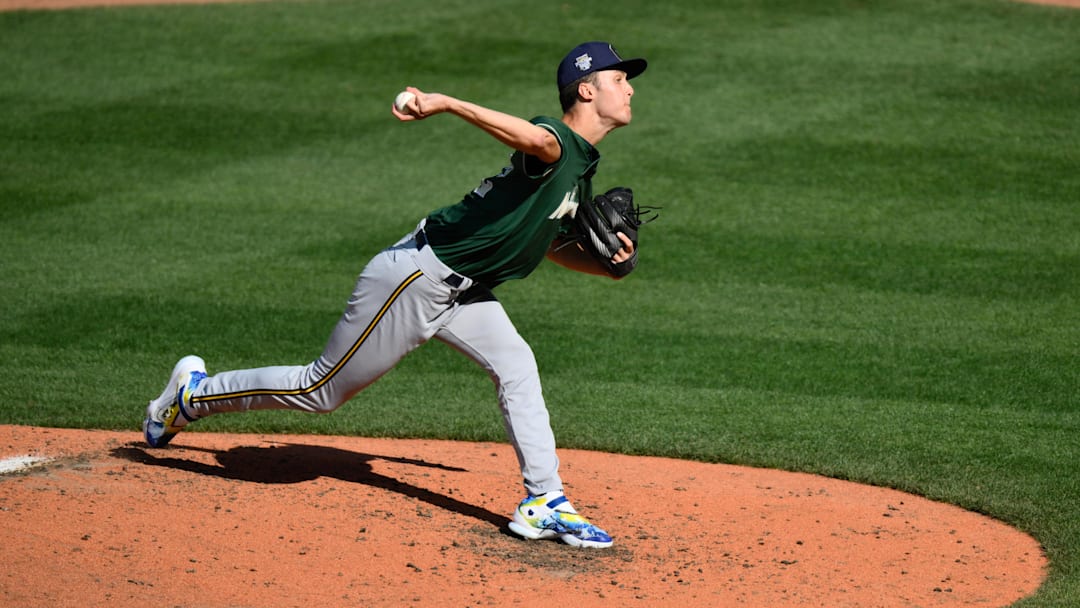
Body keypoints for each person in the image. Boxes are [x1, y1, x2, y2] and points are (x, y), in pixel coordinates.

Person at [142, 41, 647, 549]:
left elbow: (549, 243)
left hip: (464, 292)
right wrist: (448, 103)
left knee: (517, 365)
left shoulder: (579, 166)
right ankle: (190, 397)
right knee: (318, 392)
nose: (629, 88)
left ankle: (545, 501)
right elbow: (532, 137)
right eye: (618, 79)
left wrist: (611, 269)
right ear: (586, 89)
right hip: (416, 278)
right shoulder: (556, 142)